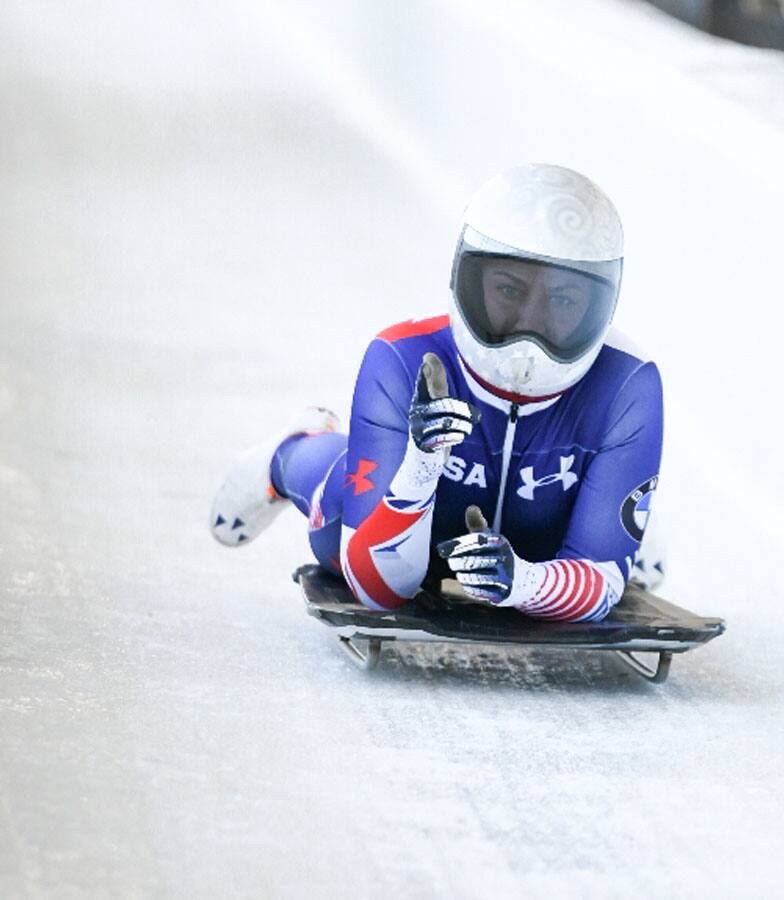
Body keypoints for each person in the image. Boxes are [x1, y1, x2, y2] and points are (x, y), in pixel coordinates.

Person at [210, 163, 663, 621]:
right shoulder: (402, 358)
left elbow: (600, 581)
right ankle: (291, 453)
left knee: (612, 558)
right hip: (413, 532)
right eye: (508, 290)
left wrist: (524, 582)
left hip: (544, 537)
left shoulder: (629, 383)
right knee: (335, 520)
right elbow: (378, 589)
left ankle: (608, 497)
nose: (529, 322)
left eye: (562, 300)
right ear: (467, 280)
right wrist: (422, 466)